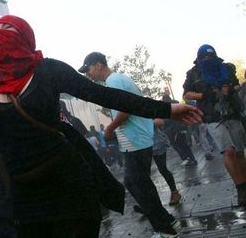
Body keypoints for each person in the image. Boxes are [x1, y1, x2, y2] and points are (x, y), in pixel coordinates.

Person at [0, 15, 201, 237]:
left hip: (69, 186)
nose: (1, 36)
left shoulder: (48, 71)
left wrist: (167, 109)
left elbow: (105, 94)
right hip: (23, 196)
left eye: (8, 31)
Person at [79, 51, 181, 237]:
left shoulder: (114, 82)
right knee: (138, 184)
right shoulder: (116, 80)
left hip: (136, 140)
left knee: (137, 185)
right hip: (135, 140)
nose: (88, 74)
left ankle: (165, 230)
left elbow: (125, 110)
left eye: (89, 69)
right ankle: (165, 219)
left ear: (98, 65)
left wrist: (110, 128)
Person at [183, 44, 246, 206]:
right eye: (204, 57)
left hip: (232, 113)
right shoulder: (193, 73)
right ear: (199, 58)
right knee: (229, 151)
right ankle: (240, 189)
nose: (208, 59)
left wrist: (231, 89)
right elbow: (187, 94)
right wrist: (206, 95)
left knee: (239, 152)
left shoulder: (226, 68)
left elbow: (238, 85)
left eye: (211, 56)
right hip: (212, 118)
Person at [153, 119, 182, 205]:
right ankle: (149, 201)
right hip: (140, 145)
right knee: (144, 174)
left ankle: (174, 192)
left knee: (162, 169)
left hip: (156, 143)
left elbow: (161, 121)